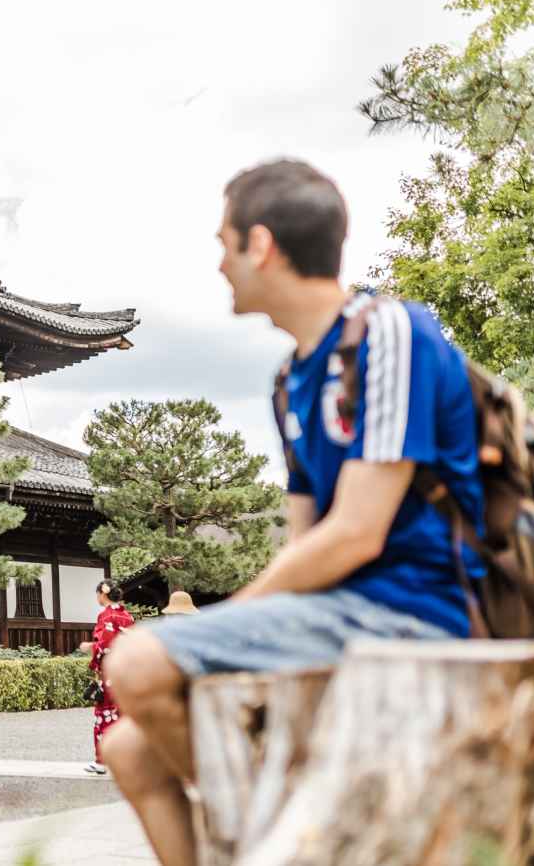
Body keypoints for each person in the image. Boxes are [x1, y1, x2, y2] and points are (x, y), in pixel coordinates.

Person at [100, 160, 486, 866]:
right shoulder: (292, 382)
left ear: (262, 245)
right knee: (127, 748)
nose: (219, 264)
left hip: (420, 609)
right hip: (337, 615)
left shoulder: (390, 333)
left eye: (224, 243)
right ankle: (287, 829)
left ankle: (299, 839)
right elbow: (304, 543)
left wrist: (234, 614)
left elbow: (356, 532)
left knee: (138, 662)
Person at [86, 580, 134, 775]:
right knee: (124, 715)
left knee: (105, 714)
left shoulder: (106, 616)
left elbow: (103, 645)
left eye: (97, 594)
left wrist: (91, 653)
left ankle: (102, 761)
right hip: (127, 671)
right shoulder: (127, 616)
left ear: (102, 594)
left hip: (111, 672)